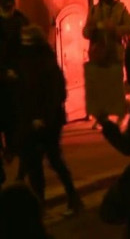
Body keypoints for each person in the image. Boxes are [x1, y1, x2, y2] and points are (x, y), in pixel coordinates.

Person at [16, 25, 83, 216]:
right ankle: (42, 202)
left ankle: (72, 198)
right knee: (35, 163)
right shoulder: (27, 61)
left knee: (53, 159)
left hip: (47, 120)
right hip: (32, 119)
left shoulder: (45, 62)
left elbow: (55, 93)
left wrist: (41, 117)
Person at [82, 0, 130, 127]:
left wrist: (114, 29)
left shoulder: (120, 9)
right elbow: (85, 31)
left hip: (115, 53)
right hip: (98, 53)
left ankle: (120, 115)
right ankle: (102, 117)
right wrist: (94, 29)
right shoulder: (93, 10)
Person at [0, 0, 29, 185]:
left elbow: (25, 47)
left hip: (17, 77)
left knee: (14, 117)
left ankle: (12, 149)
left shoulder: (21, 20)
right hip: (3, 76)